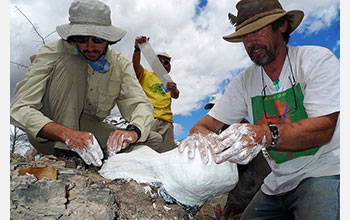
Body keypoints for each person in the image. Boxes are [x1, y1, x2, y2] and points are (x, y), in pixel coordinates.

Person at [178, 0, 340, 219]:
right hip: (277, 181)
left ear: (282, 25)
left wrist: (264, 134)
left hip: (325, 171)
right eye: (244, 36)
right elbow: (203, 125)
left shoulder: (316, 60)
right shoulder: (243, 82)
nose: (250, 42)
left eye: (257, 30)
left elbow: (324, 128)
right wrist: (202, 136)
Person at [10, 0, 161, 167]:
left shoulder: (120, 63)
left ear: (108, 39)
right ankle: (67, 156)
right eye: (82, 39)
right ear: (73, 37)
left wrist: (134, 132)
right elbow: (19, 108)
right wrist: (66, 134)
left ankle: (99, 160)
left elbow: (138, 103)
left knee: (153, 140)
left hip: (87, 130)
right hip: (50, 134)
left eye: (97, 39)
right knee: (72, 64)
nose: (90, 47)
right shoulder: (53, 52)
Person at [204, 93, 271, 220]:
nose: (214, 113)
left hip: (249, 189)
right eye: (212, 110)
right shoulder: (231, 127)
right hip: (254, 187)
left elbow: (233, 164)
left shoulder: (238, 130)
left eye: (217, 109)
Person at [132, 36, 180, 153]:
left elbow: (176, 95)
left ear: (169, 67)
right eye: (159, 61)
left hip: (167, 122)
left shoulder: (169, 82)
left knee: (166, 153)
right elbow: (135, 65)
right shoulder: (146, 75)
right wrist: (137, 49)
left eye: (166, 62)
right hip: (150, 118)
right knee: (145, 150)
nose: (163, 64)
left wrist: (174, 90)